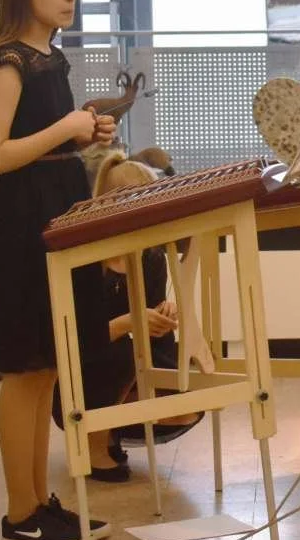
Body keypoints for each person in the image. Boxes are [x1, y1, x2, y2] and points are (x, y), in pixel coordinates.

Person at [0, 0, 117, 540]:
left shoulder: (49, 57)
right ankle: (18, 512)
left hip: (57, 208)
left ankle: (36, 503)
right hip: (23, 221)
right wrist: (65, 127)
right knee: (25, 368)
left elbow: (44, 141)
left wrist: (83, 135)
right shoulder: (9, 62)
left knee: (49, 365)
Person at [49, 151, 204, 483]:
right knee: (121, 356)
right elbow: (72, 338)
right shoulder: (84, 258)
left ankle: (111, 431)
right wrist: (128, 322)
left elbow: (152, 312)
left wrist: (164, 312)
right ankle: (92, 443)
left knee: (183, 389)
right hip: (86, 369)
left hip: (132, 360)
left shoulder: (151, 256)